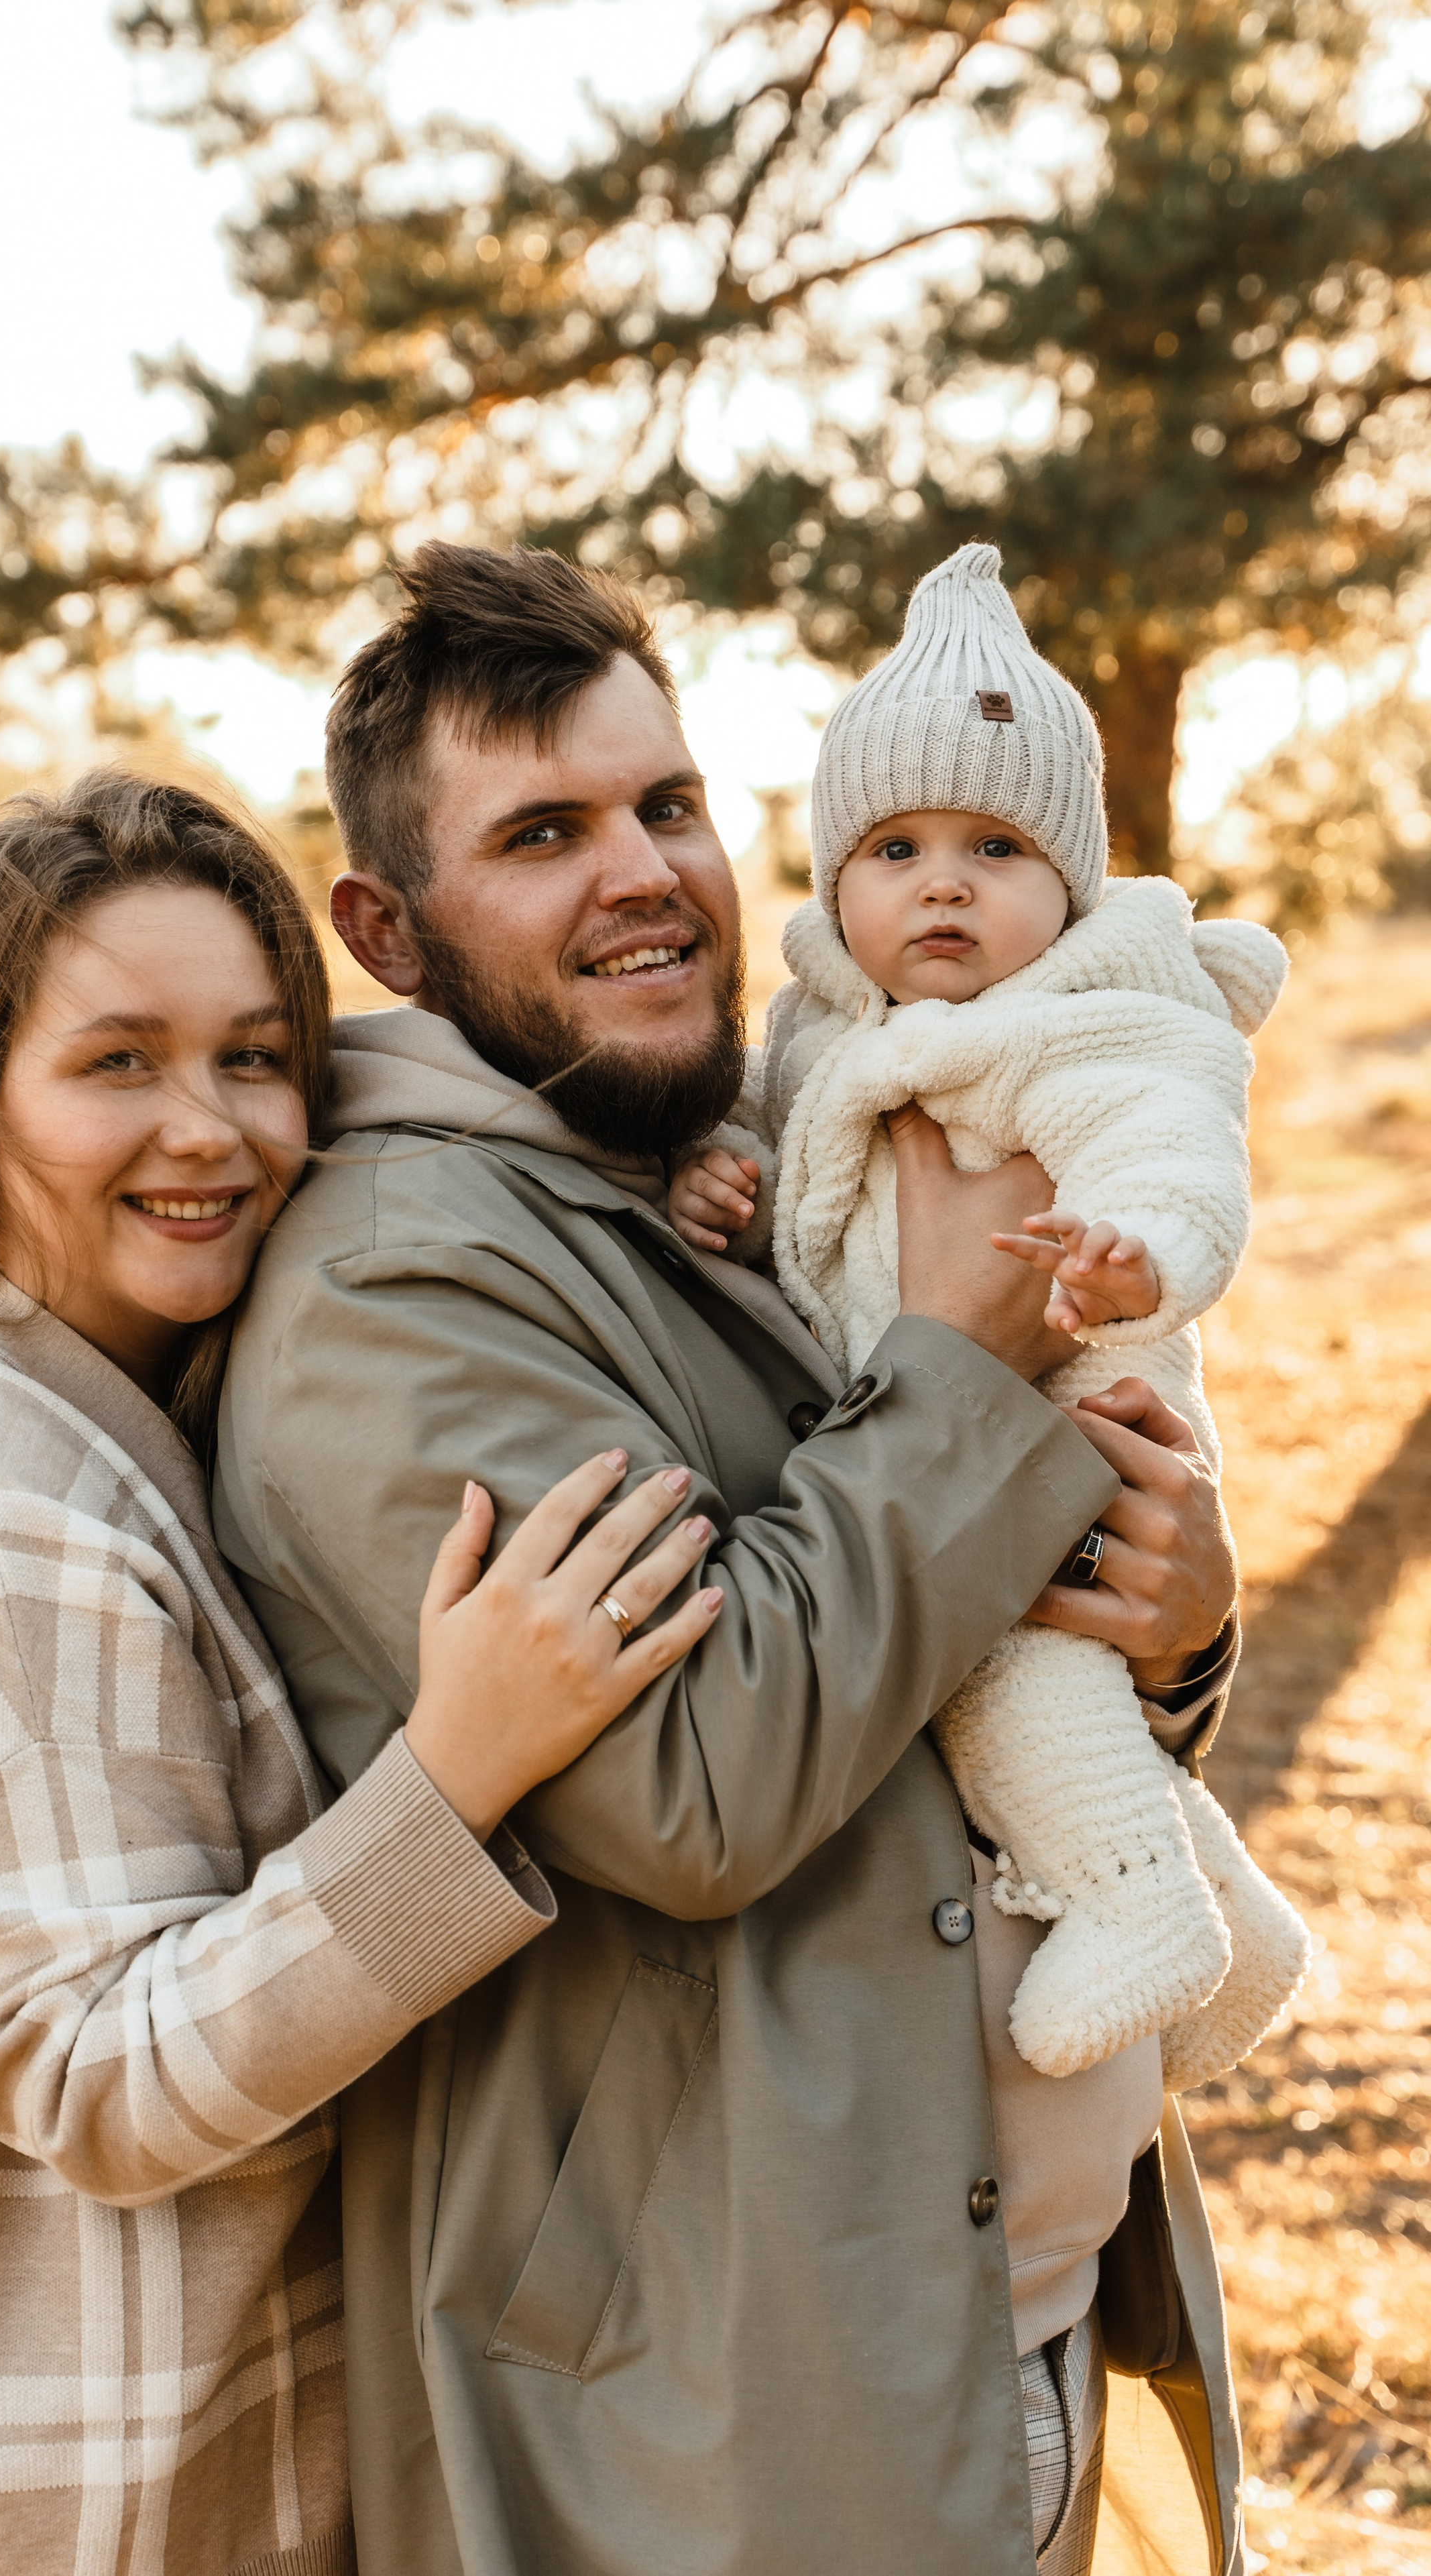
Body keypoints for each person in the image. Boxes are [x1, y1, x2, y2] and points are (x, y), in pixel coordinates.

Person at [213, 544, 1249, 2576]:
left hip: (976, 2328)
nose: (646, 876)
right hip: (719, 2428)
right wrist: (959, 1359)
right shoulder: (396, 1286)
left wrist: (1173, 1631)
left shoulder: (711, 1152)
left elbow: (931, 1638)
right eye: (542, 834)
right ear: (387, 931)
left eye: (667, 804)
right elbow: (695, 1784)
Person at [0, 768, 717, 2576]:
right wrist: (457, 1773)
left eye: (256, 1058)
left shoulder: (126, 1388)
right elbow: (95, 2077)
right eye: (117, 1063)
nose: (209, 1130)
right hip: (40, 2527)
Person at [666, 541, 1308, 2103]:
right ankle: (1234, 1921)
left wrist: (1132, 1249)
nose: (941, 881)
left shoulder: (1088, 1022)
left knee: (1005, 1668)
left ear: (1068, 886)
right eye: (893, 846)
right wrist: (715, 1166)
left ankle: (1139, 1904)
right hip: (924, 1426)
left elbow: (1169, 1142)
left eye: (994, 847)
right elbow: (778, 1137)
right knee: (1016, 1680)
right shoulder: (819, 1025)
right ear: (834, 881)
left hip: (1068, 1408)